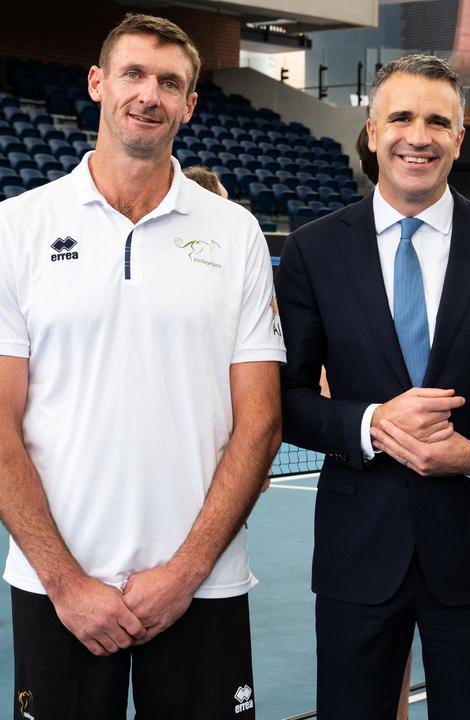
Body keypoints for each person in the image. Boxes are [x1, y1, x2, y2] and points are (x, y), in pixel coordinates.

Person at [0, 14, 284, 718]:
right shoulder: (17, 228)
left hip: (202, 586)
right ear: (98, 83)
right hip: (57, 588)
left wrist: (186, 573)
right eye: (132, 73)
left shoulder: (236, 233)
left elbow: (261, 423)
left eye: (169, 82)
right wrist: (66, 582)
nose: (147, 94)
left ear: (190, 104)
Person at [275, 54, 470, 719]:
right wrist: (370, 422)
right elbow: (286, 400)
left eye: (438, 121)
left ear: (459, 140)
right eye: (403, 117)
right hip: (358, 554)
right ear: (374, 131)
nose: (420, 135)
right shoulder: (315, 252)